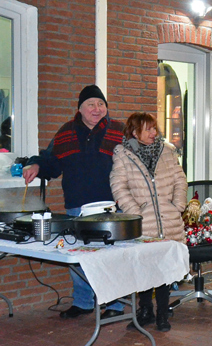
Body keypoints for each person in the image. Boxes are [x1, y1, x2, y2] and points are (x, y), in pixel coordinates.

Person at [22, 85, 125, 319]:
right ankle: (83, 301)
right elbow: (50, 161)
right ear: (80, 109)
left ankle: (115, 304)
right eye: (91, 104)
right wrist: (35, 165)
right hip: (77, 205)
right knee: (78, 255)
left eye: (101, 104)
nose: (96, 109)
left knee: (110, 256)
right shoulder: (65, 132)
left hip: (111, 206)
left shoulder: (120, 131)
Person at [110, 112, 187, 332]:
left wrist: (178, 205)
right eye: (149, 129)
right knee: (143, 269)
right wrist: (136, 213)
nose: (155, 133)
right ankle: (145, 311)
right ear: (135, 132)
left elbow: (180, 179)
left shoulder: (168, 151)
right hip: (143, 222)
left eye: (155, 128)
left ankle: (163, 314)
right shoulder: (123, 154)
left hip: (168, 219)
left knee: (164, 269)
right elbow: (118, 186)